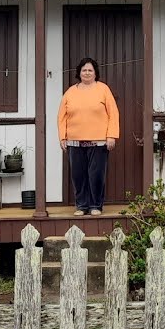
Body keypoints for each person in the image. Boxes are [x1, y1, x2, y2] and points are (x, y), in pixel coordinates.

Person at [57, 57, 119, 216]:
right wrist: (63, 137)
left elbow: (113, 113)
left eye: (90, 70)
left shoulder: (103, 89)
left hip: (98, 142)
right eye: (84, 70)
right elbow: (61, 116)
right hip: (74, 141)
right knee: (78, 175)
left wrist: (111, 135)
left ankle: (95, 206)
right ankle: (81, 206)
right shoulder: (70, 91)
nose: (87, 73)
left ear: (95, 73)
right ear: (79, 72)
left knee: (96, 175)